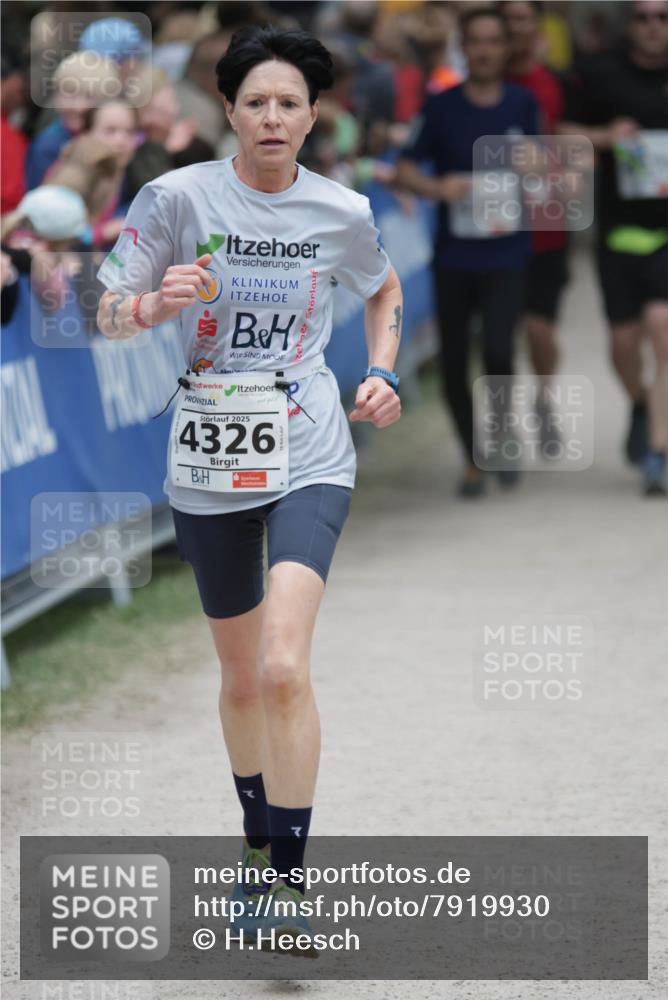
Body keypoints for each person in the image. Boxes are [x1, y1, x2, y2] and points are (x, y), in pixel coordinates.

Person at [95, 24, 402, 954]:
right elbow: (106, 310)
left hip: (308, 443)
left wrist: (381, 371)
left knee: (280, 666)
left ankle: (287, 885)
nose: (273, 118)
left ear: (315, 117)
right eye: (256, 102)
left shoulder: (341, 209)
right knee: (237, 682)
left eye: (290, 104)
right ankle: (254, 838)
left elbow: (381, 289)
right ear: (227, 110)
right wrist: (153, 304)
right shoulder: (176, 197)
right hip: (208, 457)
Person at [396, 6, 539, 497]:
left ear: (506, 48)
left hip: (508, 252)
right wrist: (439, 188)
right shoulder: (442, 107)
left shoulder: (523, 103)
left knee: (498, 349)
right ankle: (473, 457)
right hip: (455, 257)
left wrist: (535, 165)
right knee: (455, 361)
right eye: (475, 41)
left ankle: (501, 433)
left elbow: (545, 168)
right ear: (463, 45)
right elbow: (404, 170)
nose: (484, 50)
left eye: (493, 41)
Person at [561, 0, 668, 495]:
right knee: (623, 344)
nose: (653, 27)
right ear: (631, 24)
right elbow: (560, 130)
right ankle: (645, 405)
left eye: (663, 17)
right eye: (644, 18)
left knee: (663, 330)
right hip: (620, 231)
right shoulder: (602, 75)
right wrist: (605, 136)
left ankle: (659, 453)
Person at [501, 0, 568, 455]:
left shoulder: (554, 84)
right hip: (495, 228)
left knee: (539, 329)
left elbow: (569, 142)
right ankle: (501, 426)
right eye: (507, 21)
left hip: (545, 225)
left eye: (523, 19)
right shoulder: (479, 84)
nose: (515, 28)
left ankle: (544, 399)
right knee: (501, 331)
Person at [25, 52, 122, 190]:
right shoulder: (48, 147)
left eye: (90, 96)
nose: (79, 107)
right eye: (70, 94)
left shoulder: (120, 140)